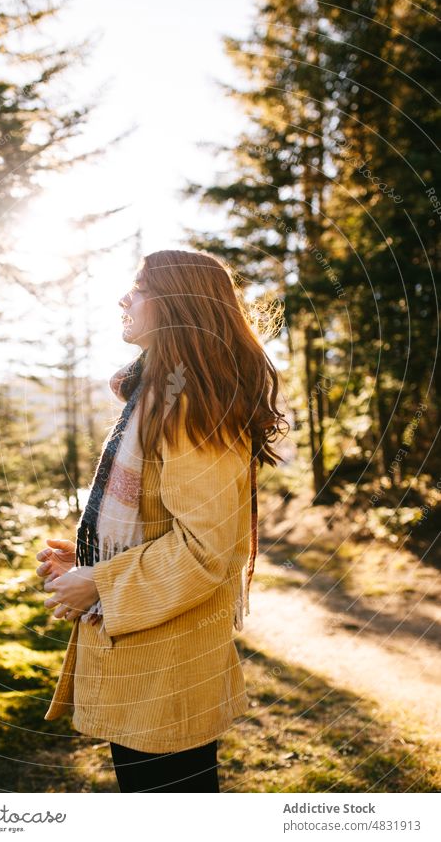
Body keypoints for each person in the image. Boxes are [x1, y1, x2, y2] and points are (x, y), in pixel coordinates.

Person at [37, 249, 288, 792]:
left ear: (177, 305)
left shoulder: (193, 406)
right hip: (147, 650)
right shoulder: (155, 397)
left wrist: (100, 581)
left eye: (139, 288)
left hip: (167, 664)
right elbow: (158, 520)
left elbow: (206, 548)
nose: (123, 298)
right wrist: (85, 561)